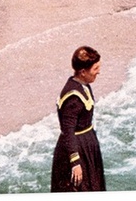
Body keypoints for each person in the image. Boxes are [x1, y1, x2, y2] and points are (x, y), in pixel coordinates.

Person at [51, 46, 105, 192]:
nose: (99, 72)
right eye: (95, 69)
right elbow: (68, 131)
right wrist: (75, 162)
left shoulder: (83, 85)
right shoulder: (73, 97)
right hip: (77, 149)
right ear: (83, 72)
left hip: (86, 144)